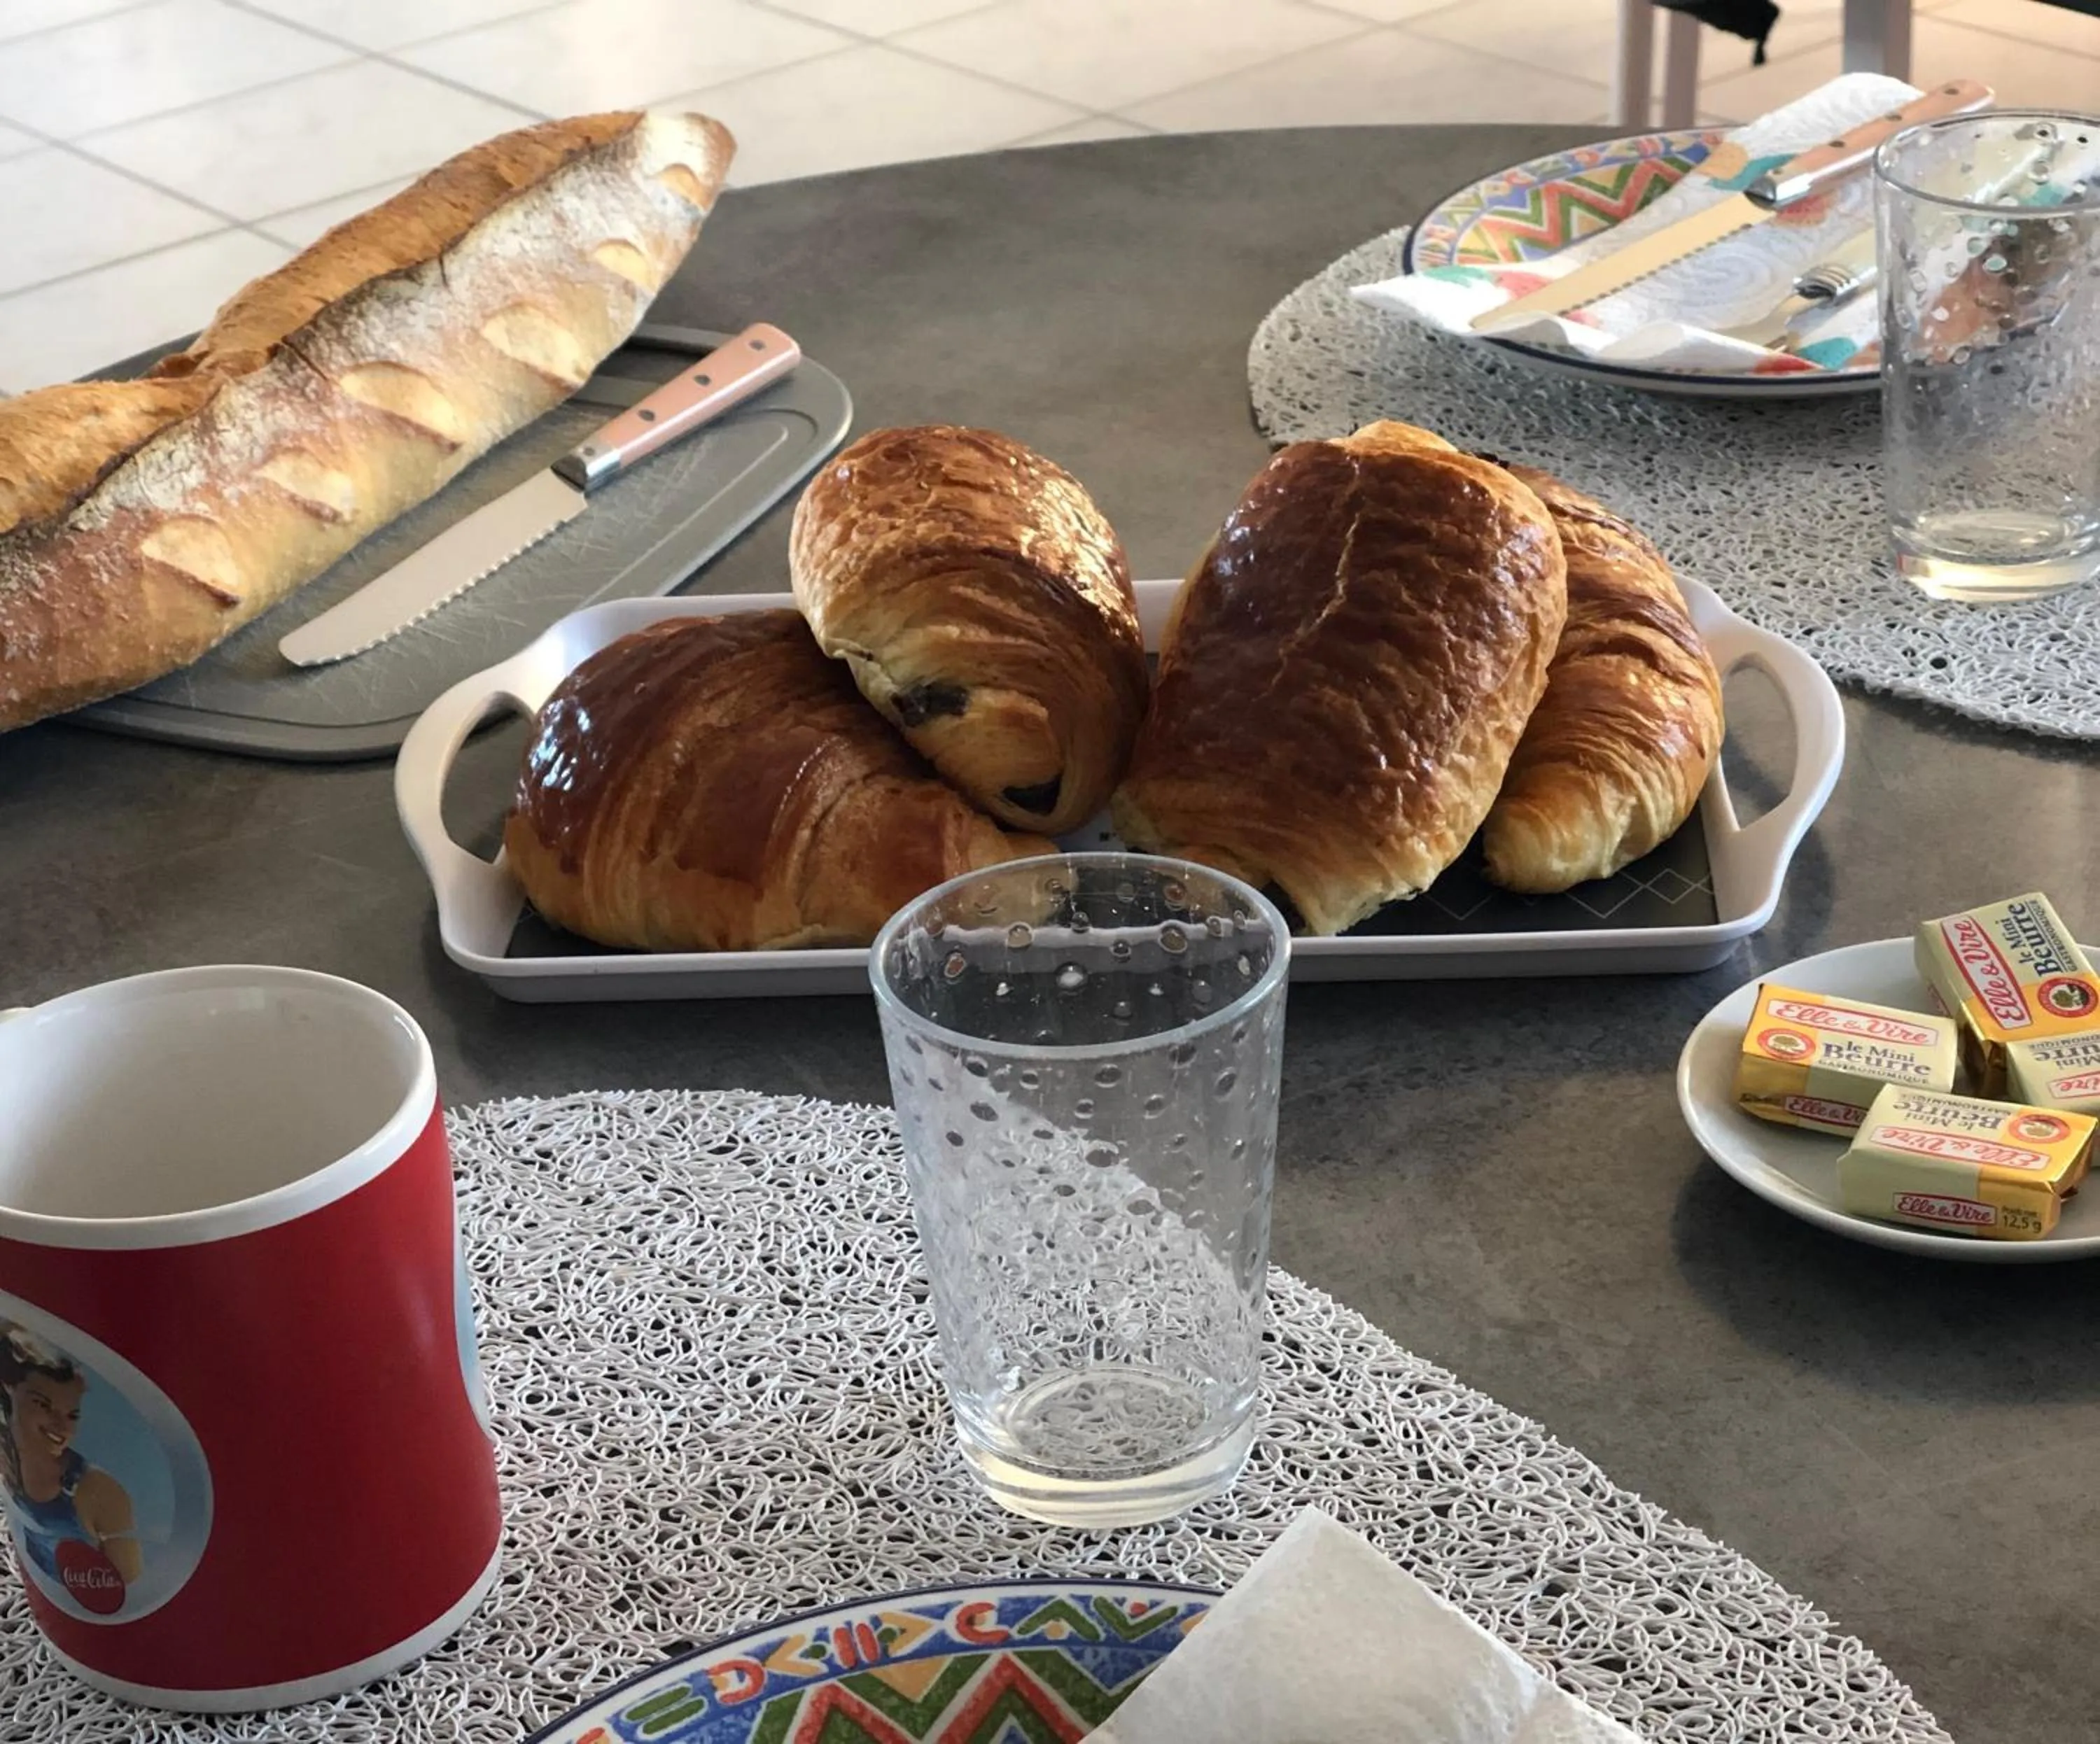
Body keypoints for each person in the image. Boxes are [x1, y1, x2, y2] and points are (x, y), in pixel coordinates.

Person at [0, 1327, 141, 1589]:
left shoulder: (98, 1492)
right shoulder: (8, 1454)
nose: (61, 1427)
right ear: (8, 1388)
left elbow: (132, 1593)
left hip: (84, 1612)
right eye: (43, 1405)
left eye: (72, 1415)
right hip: (42, 1597)